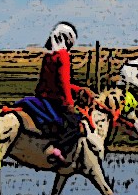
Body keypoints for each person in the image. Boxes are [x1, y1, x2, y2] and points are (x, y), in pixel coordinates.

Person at [34, 21, 94, 164]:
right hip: (56, 99)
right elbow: (62, 84)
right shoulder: (63, 56)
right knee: (76, 126)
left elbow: (52, 82)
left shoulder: (48, 56)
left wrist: (79, 90)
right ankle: (58, 150)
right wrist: (69, 105)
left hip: (43, 97)